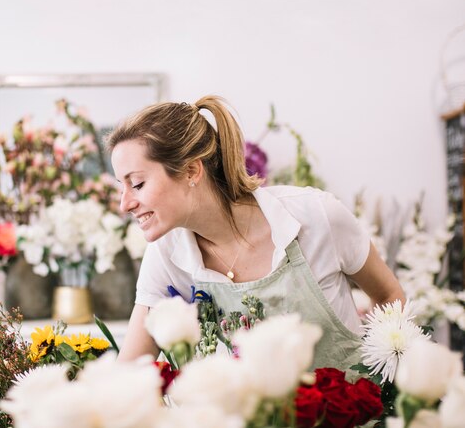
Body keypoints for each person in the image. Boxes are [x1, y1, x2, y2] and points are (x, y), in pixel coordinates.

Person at [107, 95, 405, 370]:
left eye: (137, 183)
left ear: (190, 171)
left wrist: (385, 385)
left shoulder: (316, 216)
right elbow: (129, 373)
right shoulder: (166, 255)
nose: (125, 203)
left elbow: (390, 296)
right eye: (122, 186)